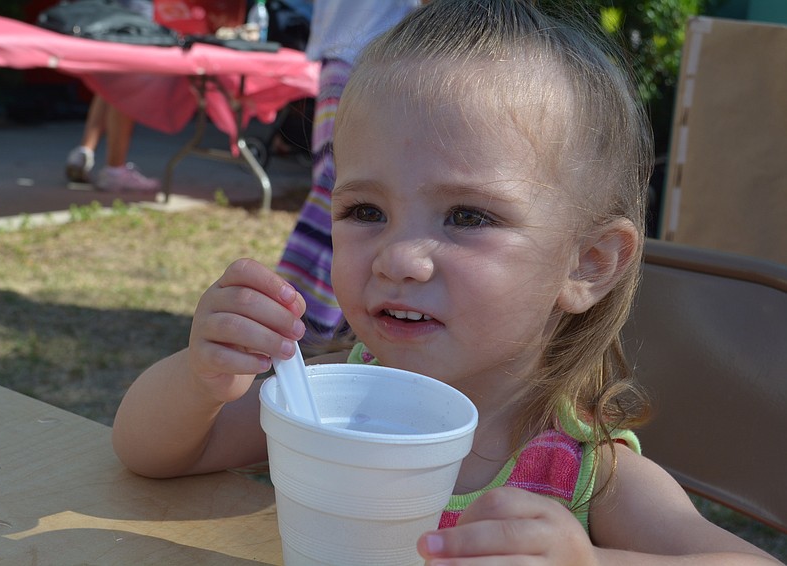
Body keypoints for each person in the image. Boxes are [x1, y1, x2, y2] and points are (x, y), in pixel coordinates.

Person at [111, 1, 781, 563]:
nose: (400, 258)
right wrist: (202, 381)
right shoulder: (332, 406)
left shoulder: (585, 473)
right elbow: (151, 453)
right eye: (365, 211)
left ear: (588, 264)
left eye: (467, 217)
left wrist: (592, 561)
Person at [275, 0, 423, 339]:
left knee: (346, 190)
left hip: (348, 58)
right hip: (372, 61)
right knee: (344, 189)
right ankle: (305, 317)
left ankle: (315, 317)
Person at [64, 0, 160, 193]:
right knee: (126, 82)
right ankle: (115, 170)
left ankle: (84, 152)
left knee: (110, 83)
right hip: (133, 9)